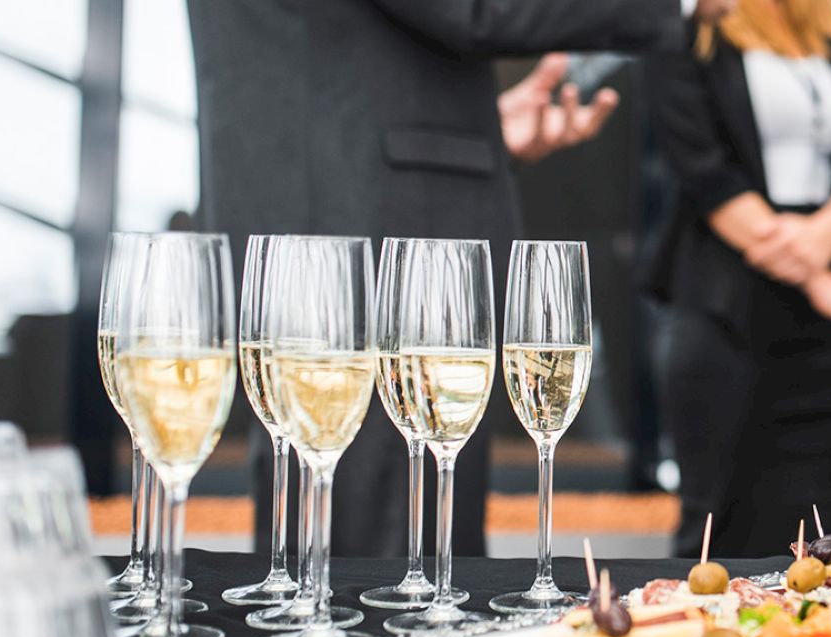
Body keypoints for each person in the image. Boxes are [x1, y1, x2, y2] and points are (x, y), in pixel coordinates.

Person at [188, 0, 731, 558]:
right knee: (385, 566)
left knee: (373, 546)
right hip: (362, 229)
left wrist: (473, 128)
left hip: (344, 210)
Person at [645, 0, 831, 558]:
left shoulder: (822, 27)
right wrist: (822, 280)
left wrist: (824, 233)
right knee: (719, 527)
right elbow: (706, 176)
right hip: (727, 305)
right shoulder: (690, 25)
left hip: (827, 332)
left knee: (818, 537)